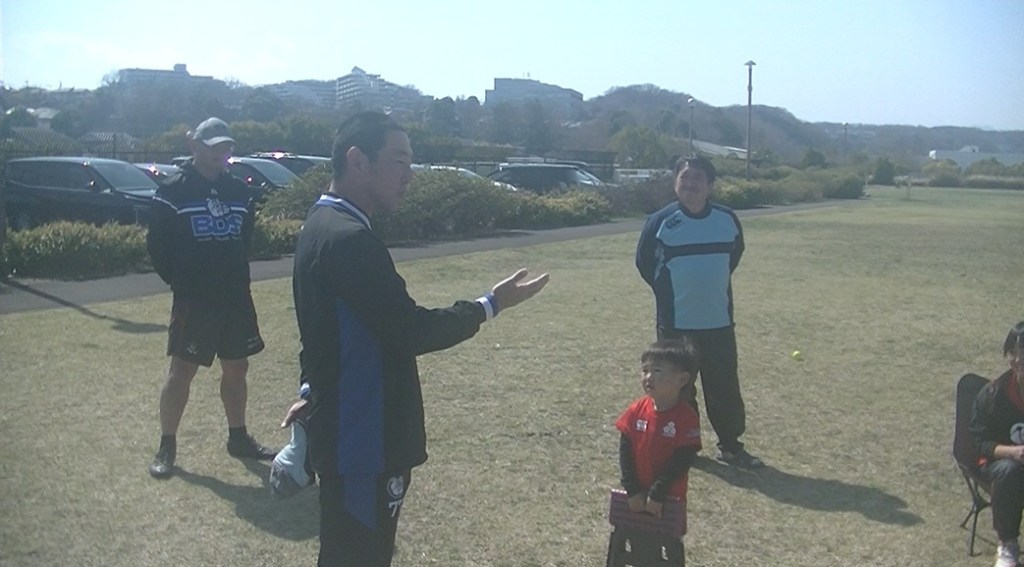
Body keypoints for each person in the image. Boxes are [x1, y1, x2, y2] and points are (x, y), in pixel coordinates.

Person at [284, 111, 549, 566]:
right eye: (399, 162)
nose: (410, 175)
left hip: (349, 431)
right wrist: (489, 304)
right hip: (364, 440)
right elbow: (409, 330)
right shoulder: (349, 240)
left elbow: (324, 329)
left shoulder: (321, 223)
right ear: (358, 161)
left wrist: (311, 390)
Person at [146, 117, 277, 479]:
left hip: (235, 297)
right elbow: (158, 246)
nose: (222, 152)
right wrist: (182, 282)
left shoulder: (238, 190)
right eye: (214, 146)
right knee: (182, 370)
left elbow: (244, 239)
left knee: (237, 367)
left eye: (226, 147)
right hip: (195, 300)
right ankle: (167, 446)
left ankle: (238, 437)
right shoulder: (173, 190)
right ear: (195, 146)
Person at [635, 155, 763, 469]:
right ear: (675, 182)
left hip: (718, 321)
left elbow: (733, 257)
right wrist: (670, 290)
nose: (691, 184)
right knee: (677, 387)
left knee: (724, 386)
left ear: (710, 185)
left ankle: (731, 446)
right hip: (676, 323)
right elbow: (645, 263)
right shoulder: (660, 222)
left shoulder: (726, 219)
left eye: (698, 178)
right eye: (685, 178)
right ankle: (683, 445)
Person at [616, 338, 702, 530]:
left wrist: (658, 493)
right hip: (636, 496)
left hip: (668, 497)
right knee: (631, 536)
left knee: (668, 540)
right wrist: (632, 488)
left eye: (657, 371)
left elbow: (682, 461)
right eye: (645, 370)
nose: (648, 377)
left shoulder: (686, 418)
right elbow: (625, 451)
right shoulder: (636, 410)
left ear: (682, 380)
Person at [970, 321, 1024, 567]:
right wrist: (1013, 452)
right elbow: (979, 442)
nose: (1018, 360)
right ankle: (1008, 545)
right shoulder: (993, 394)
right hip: (998, 465)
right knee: (1009, 470)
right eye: (1013, 352)